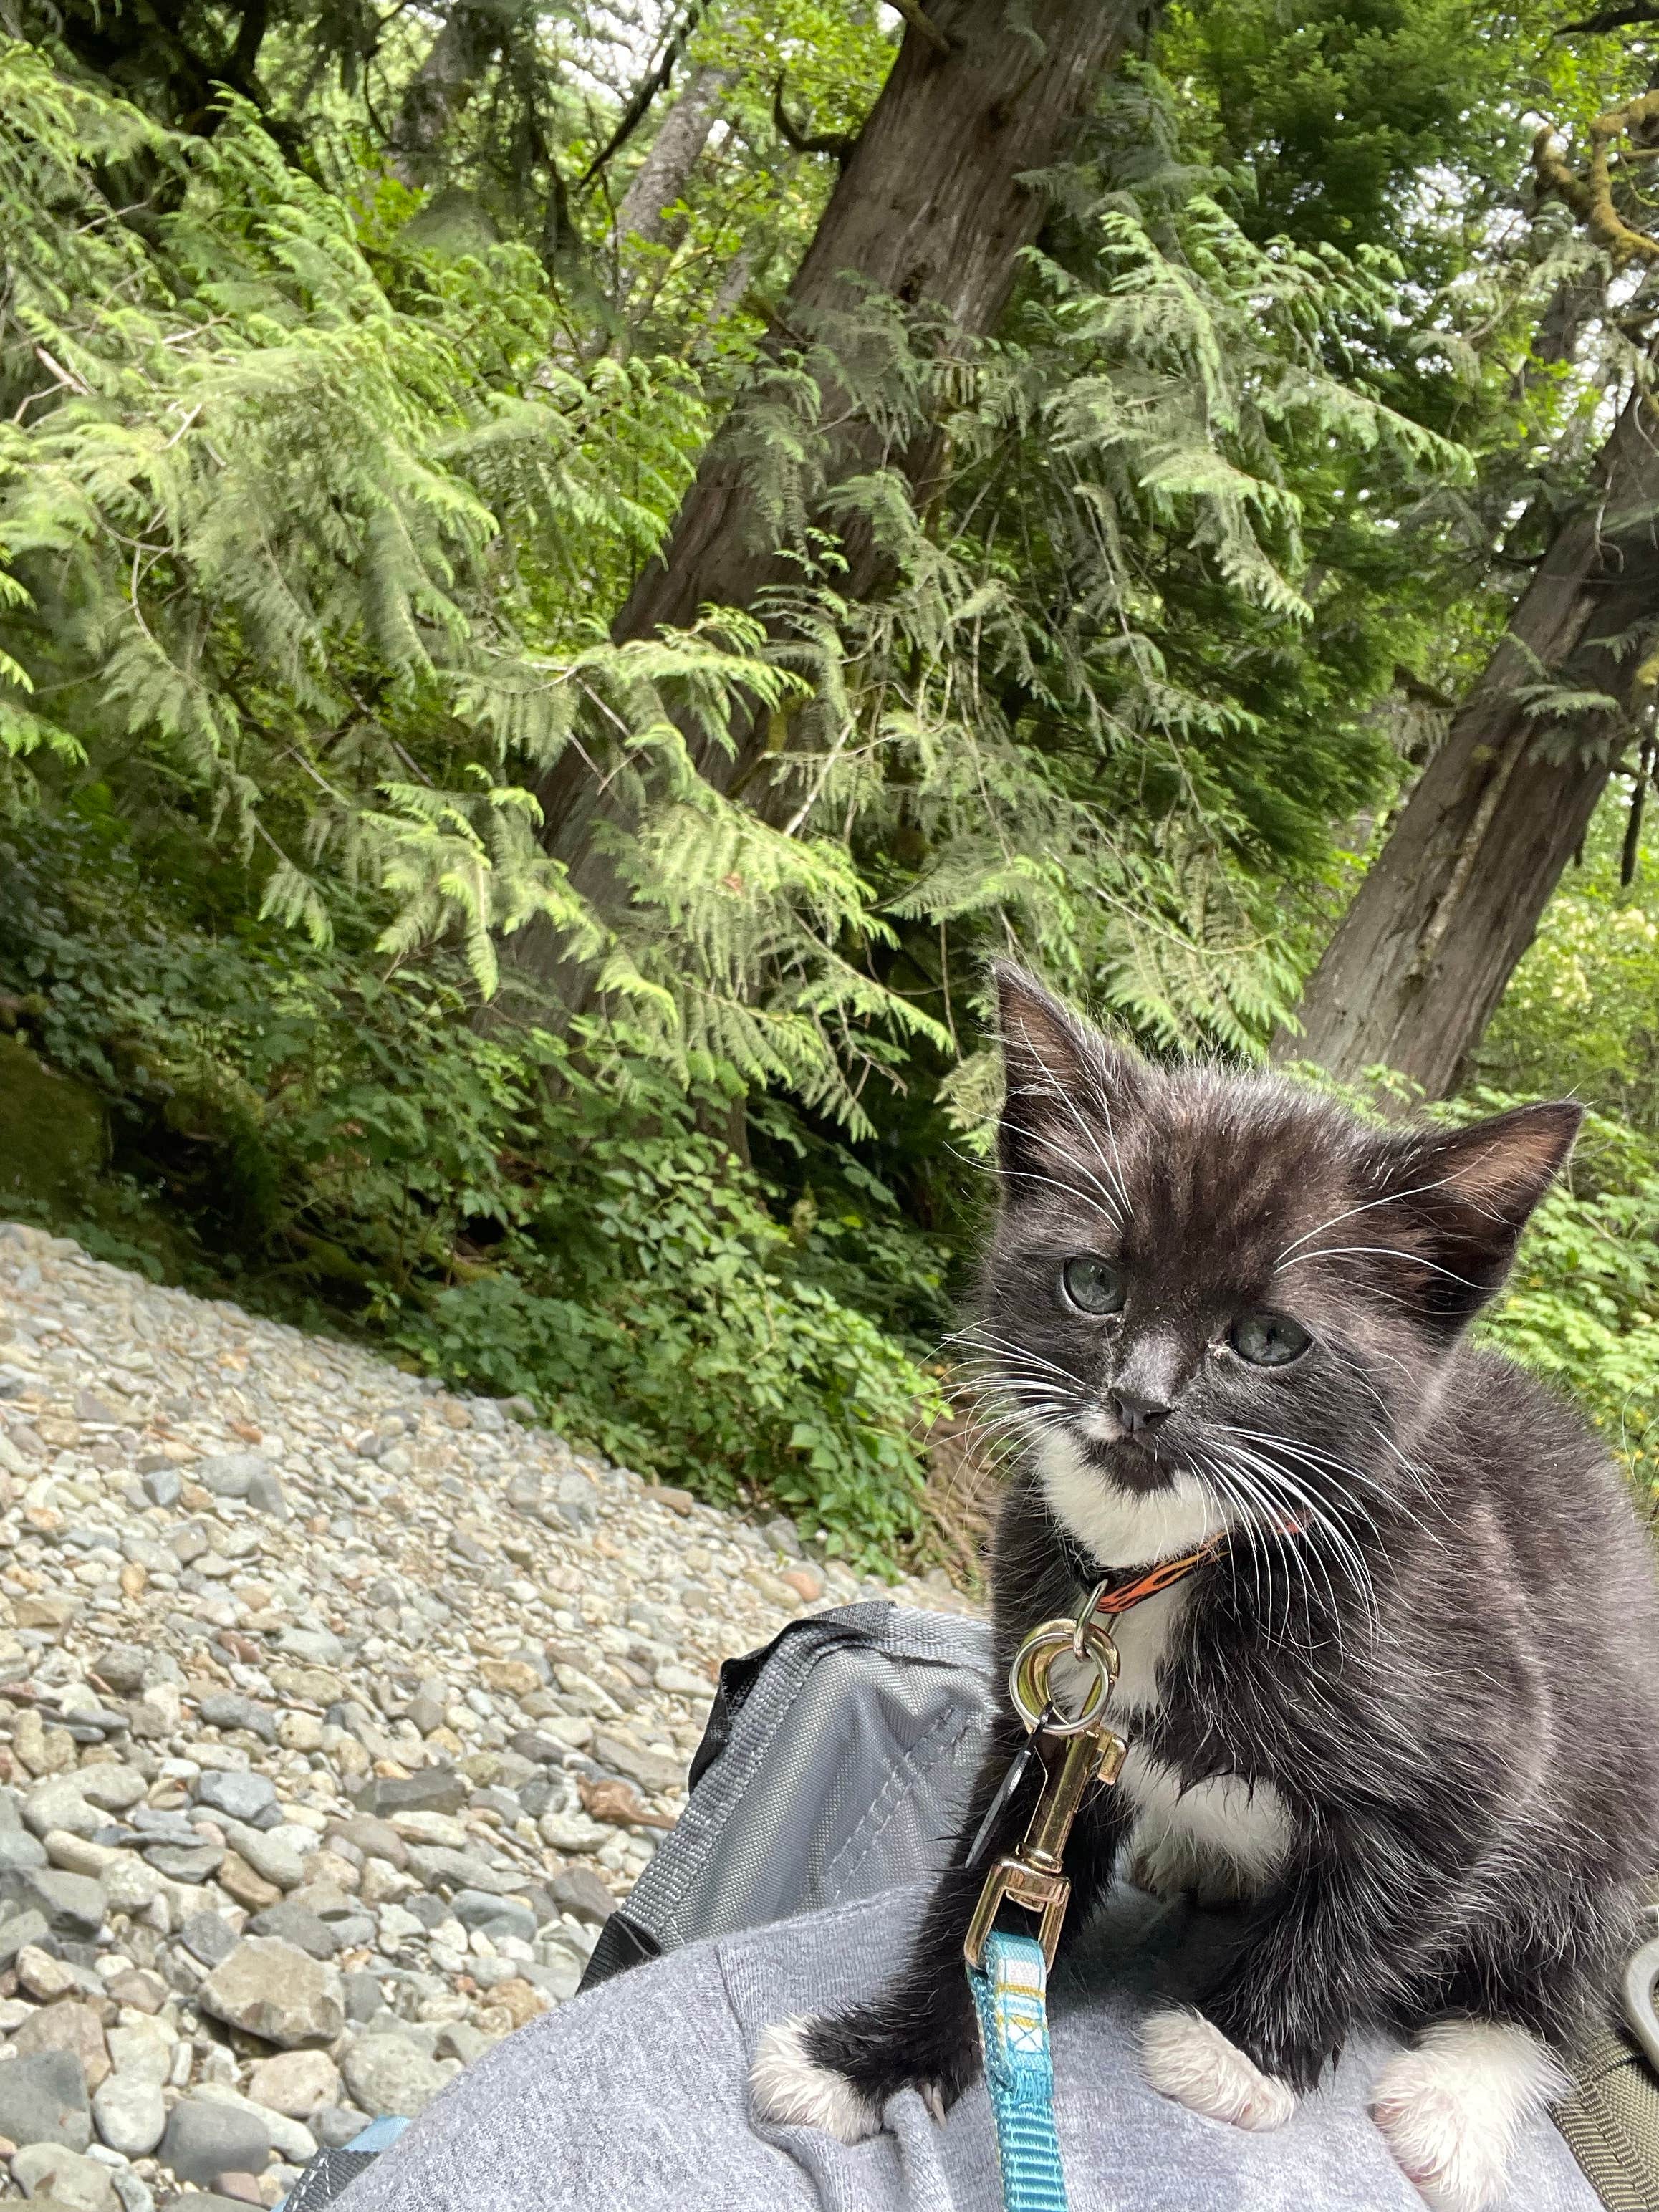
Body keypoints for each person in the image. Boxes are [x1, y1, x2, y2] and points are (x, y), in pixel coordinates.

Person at [334, 1879, 1597, 2211]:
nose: (1145, 1385)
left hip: (1504, 1928)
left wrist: (1276, 2028)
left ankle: (1514, 2031)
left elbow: (1481, 1785)